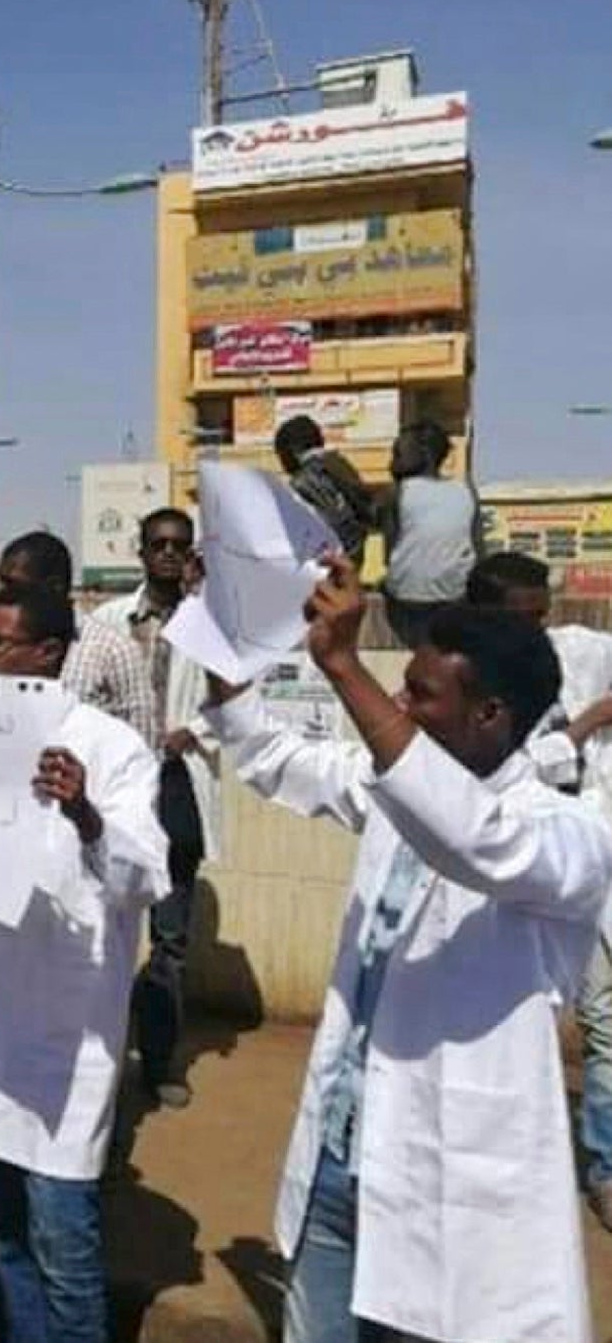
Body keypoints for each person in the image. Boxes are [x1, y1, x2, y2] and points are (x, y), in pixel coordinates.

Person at [208, 554, 612, 1343]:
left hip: (448, 1183)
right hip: (339, 1158)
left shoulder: (569, 834)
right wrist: (227, 653)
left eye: (419, 694)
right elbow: (278, 760)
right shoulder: (396, 793)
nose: (396, 703)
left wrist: (343, 666)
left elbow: (473, 840)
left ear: (490, 714)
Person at [0, 582, 168, 1343]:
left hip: (66, 1030)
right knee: (10, 1232)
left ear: (49, 653)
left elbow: (146, 877)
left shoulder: (113, 748)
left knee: (64, 1246)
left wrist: (86, 812)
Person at [467, 551, 612, 1232]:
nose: (537, 629)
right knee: (503, 1022)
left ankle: (605, 1166)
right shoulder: (458, 677)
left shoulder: (576, 654)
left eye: (541, 615)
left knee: (604, 1019)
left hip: (570, 858)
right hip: (490, 869)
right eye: (520, 618)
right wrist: (585, 726)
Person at [92, 507, 220, 1108]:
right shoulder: (105, 621)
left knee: (168, 940)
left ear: (191, 553)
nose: (168, 553)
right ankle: (102, 1057)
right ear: (141, 552)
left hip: (175, 784)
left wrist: (190, 732)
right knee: (104, 927)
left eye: (179, 544)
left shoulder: (213, 625)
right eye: (158, 543)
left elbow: (237, 703)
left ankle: (162, 1062)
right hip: (115, 788)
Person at [0, 532, 159, 747]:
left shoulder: (113, 651)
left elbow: (142, 745)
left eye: (13, 585)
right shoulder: (1, 647)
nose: (3, 593)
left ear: (54, 586)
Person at [380, 420, 477, 649]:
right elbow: (477, 547)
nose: (391, 463)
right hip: (457, 596)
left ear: (423, 454)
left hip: (407, 599)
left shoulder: (397, 492)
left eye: (397, 454)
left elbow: (389, 554)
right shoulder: (466, 490)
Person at [275, 415, 375, 564]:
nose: (282, 463)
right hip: (352, 561)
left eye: (281, 455)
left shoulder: (304, 482)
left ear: (293, 450)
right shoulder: (340, 466)